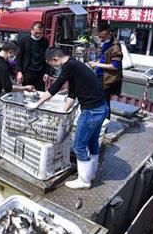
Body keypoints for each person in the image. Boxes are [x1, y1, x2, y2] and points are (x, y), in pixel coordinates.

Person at [27, 47, 108, 189]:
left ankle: (84, 180)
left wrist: (37, 103)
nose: (55, 68)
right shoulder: (75, 65)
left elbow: (55, 88)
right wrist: (63, 113)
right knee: (92, 142)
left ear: (56, 59)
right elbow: (72, 94)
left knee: (79, 146)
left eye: (53, 65)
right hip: (101, 108)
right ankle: (91, 173)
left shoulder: (68, 66)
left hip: (91, 112)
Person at [88, 24, 123, 119]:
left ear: (109, 33)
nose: (100, 38)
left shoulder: (115, 47)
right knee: (99, 100)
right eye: (99, 36)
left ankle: (105, 122)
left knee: (104, 102)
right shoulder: (107, 43)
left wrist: (97, 65)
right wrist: (98, 61)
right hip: (100, 75)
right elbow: (105, 58)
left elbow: (115, 66)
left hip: (106, 79)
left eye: (102, 37)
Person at [16, 21, 49, 91]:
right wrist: (19, 72)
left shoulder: (45, 41)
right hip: (27, 73)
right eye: (36, 33)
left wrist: (46, 72)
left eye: (40, 33)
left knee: (39, 94)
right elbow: (18, 58)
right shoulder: (23, 41)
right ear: (31, 30)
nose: (38, 35)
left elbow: (46, 58)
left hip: (40, 74)